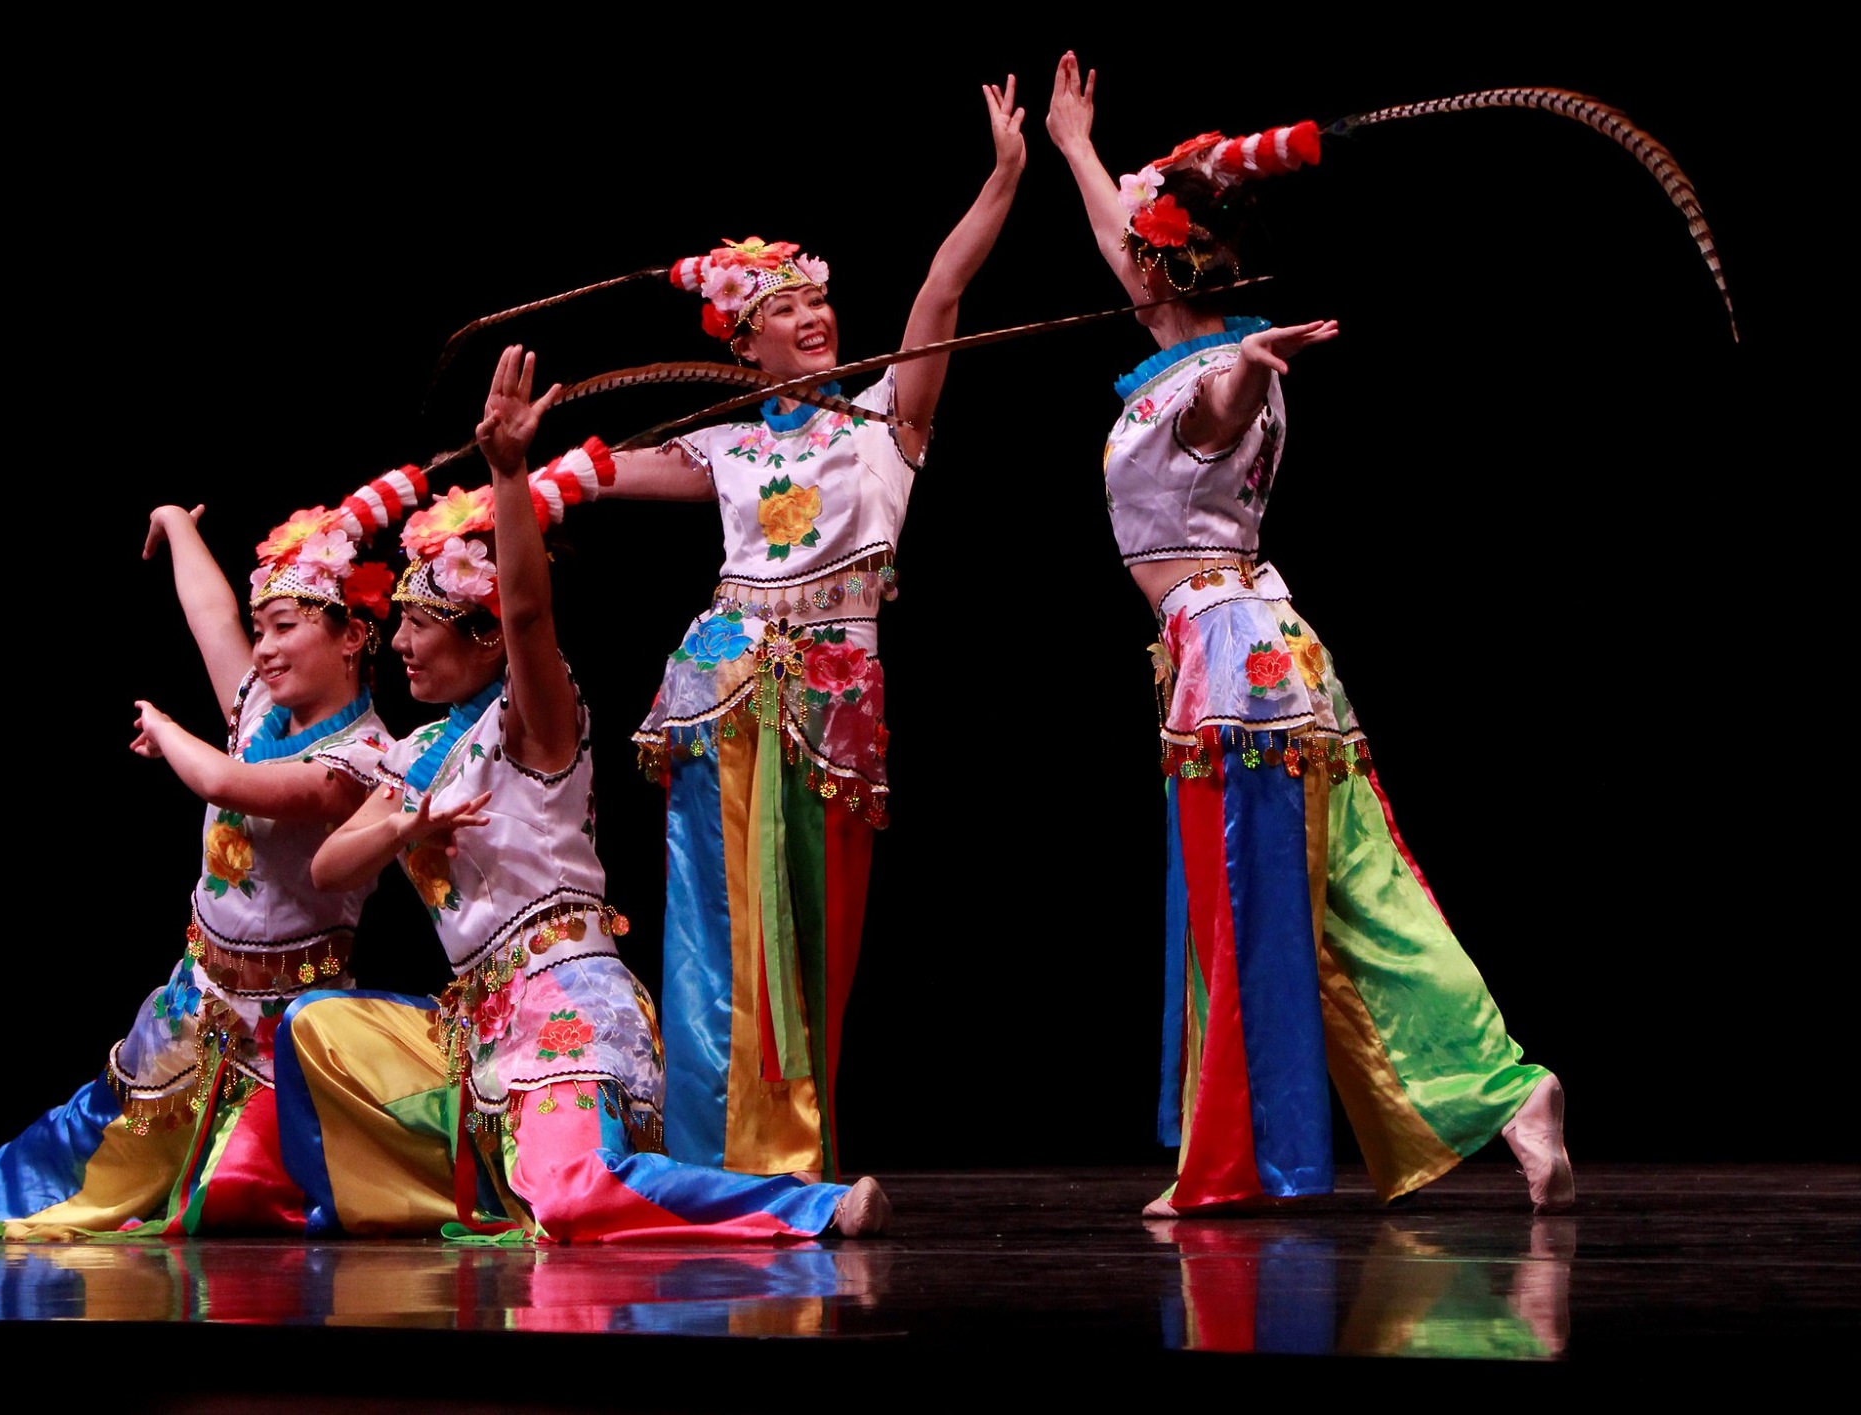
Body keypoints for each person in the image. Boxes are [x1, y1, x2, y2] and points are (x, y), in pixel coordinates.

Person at [1045, 51, 1573, 1215]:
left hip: (1234, 655)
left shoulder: (1209, 375)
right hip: (1256, 646)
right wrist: (1075, 146)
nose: (1114, 240)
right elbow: (1131, 262)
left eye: (1129, 231)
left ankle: (1243, 1159)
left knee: (1250, 904)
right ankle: (1500, 1087)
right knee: (1351, 886)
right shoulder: (1181, 349)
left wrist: (1243, 366)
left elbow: (1217, 403)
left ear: (1152, 262)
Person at [276, 345, 890, 1241]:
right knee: (314, 1026)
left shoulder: (534, 724)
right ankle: (496, 1183)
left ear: (483, 639)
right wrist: (413, 818)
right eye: (400, 622)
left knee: (572, 1194)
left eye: (420, 624)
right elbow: (331, 866)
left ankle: (810, 1207)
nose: (399, 644)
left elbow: (530, 611)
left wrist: (510, 473)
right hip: (474, 1028)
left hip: (569, 1008)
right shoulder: (414, 758)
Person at [581, 75, 1027, 1182]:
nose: (809, 315)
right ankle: (720, 1156)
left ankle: (785, 1148)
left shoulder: (888, 419)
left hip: (829, 693)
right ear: (745, 344)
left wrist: (1006, 174)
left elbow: (939, 286)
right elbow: (588, 477)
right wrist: (525, 462)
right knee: (720, 928)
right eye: (778, 308)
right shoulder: (724, 448)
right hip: (723, 679)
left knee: (811, 930)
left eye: (812, 299)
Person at [0, 470, 423, 1234]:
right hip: (199, 994)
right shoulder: (265, 713)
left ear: (351, 636)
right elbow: (208, 615)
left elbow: (229, 782)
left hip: (288, 1025)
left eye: (284, 627)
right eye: (262, 628)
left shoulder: (366, 760)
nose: (263, 650)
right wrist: (177, 523)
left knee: (242, 1198)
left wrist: (168, 729)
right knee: (103, 1144)